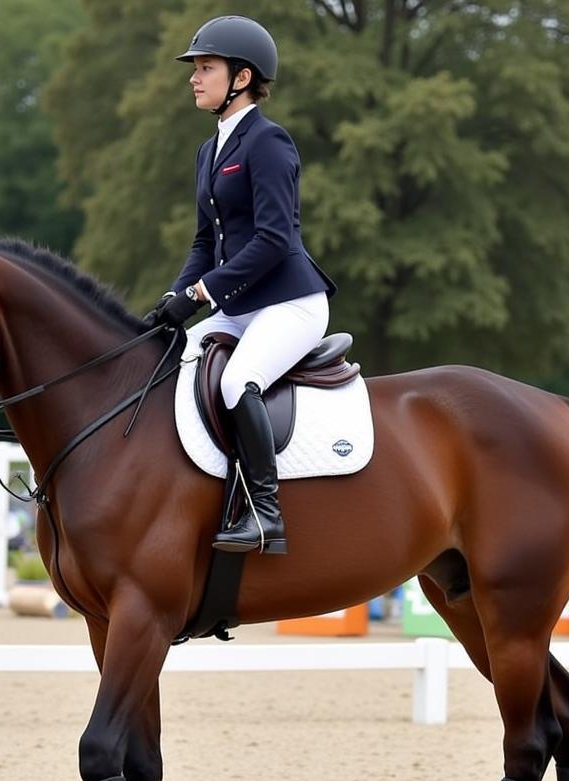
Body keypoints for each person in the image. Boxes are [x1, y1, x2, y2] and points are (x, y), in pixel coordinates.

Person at [146, 15, 336, 556]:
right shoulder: (210, 152)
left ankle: (264, 513)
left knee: (237, 382)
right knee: (166, 364)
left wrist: (202, 294)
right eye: (196, 68)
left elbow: (274, 240)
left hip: (290, 303)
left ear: (242, 77)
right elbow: (205, 243)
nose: (194, 78)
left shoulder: (269, 142)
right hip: (240, 304)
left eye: (205, 67)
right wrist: (173, 301)